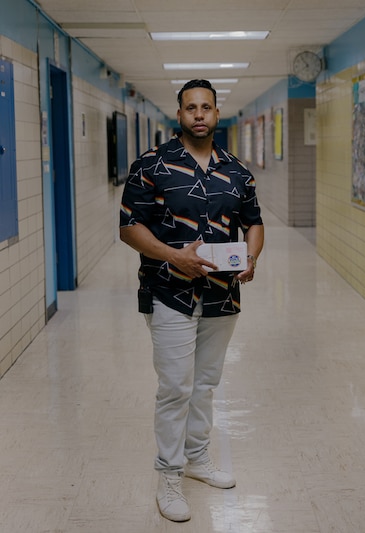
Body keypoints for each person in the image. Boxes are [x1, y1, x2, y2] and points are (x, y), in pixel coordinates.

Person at [119, 79, 264, 522]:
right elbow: (129, 227)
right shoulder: (152, 164)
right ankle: (169, 473)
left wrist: (252, 256)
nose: (199, 114)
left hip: (222, 296)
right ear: (179, 115)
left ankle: (199, 459)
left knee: (204, 385)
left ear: (217, 114)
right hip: (168, 292)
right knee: (176, 387)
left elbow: (253, 222)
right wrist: (172, 256)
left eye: (206, 107)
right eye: (190, 108)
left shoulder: (238, 172)